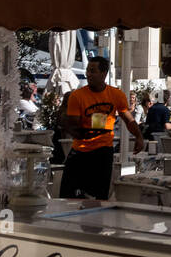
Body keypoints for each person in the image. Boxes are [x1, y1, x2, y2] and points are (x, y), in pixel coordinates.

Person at [60, 56, 144, 199]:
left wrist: (139, 136)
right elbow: (72, 124)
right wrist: (77, 129)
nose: (88, 74)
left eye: (93, 71)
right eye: (87, 70)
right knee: (68, 195)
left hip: (103, 151)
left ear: (104, 74)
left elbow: (128, 119)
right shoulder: (77, 96)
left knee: (99, 196)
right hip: (81, 151)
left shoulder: (116, 94)